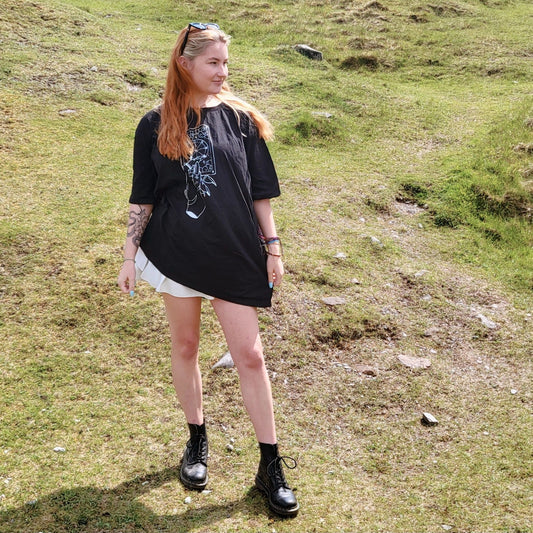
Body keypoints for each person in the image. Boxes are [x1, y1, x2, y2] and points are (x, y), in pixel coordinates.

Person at [117, 22, 299, 517]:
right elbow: (143, 196)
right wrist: (130, 255)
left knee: (251, 357)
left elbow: (260, 192)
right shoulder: (155, 123)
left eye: (226, 63)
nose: (223, 72)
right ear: (186, 64)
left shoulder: (242, 120)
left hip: (235, 252)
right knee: (186, 346)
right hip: (176, 253)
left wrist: (273, 248)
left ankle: (270, 465)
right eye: (213, 63)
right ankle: (197, 439)